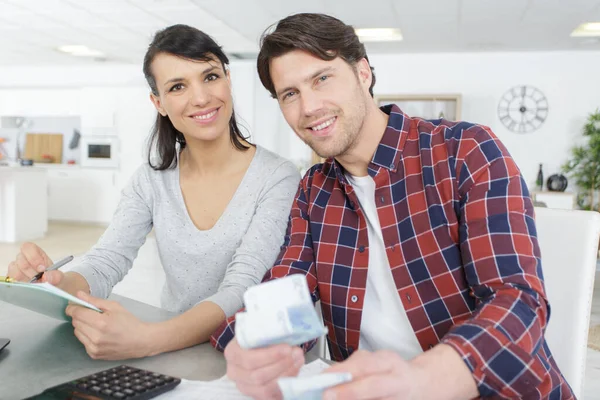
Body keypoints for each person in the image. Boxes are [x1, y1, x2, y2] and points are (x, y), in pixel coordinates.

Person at [211, 13, 573, 400]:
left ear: (363, 73)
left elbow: (519, 304)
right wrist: (248, 345)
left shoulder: (464, 151)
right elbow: (284, 295)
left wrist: (420, 381)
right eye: (290, 94)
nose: (310, 106)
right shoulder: (313, 191)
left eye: (322, 79)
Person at [7, 24, 300, 361]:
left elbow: (242, 287)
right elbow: (106, 261)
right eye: (178, 86)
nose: (201, 97)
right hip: (176, 351)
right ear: (158, 103)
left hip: (253, 355)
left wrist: (149, 339)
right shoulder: (151, 180)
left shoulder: (277, 177)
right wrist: (55, 286)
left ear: (228, 79)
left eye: (210, 76)